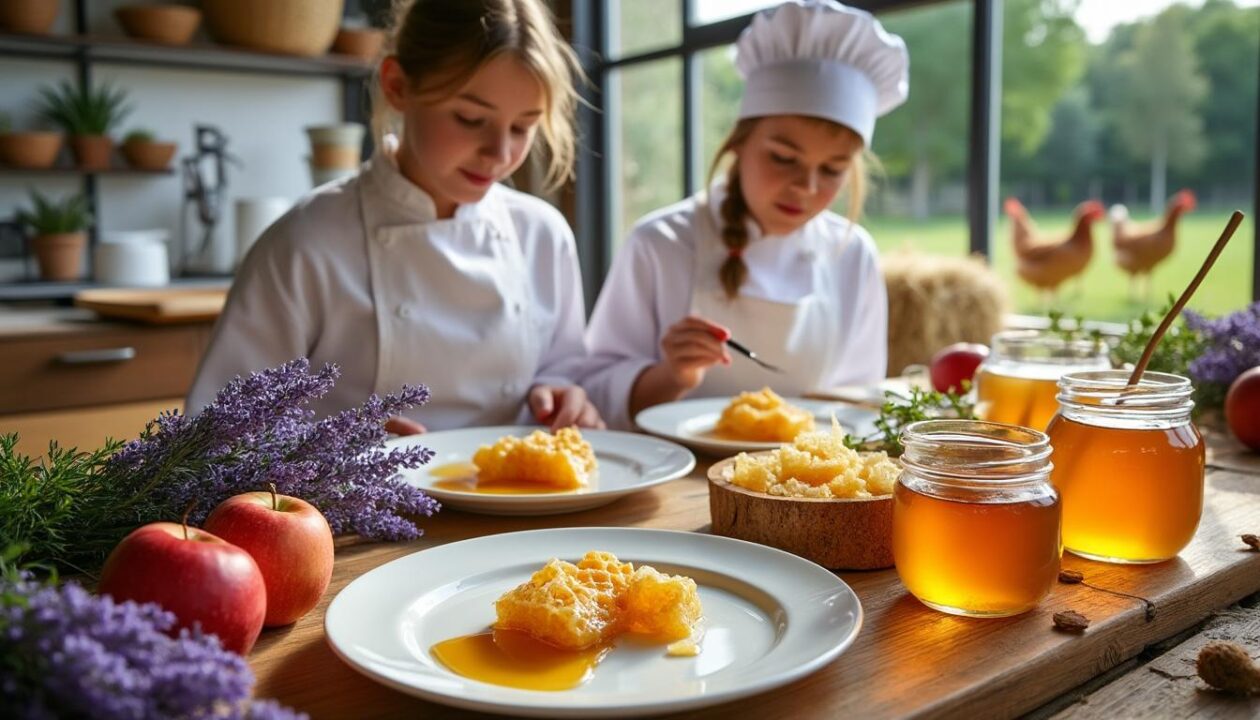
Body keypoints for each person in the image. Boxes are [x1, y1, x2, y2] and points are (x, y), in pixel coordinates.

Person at [187, 0, 603, 433]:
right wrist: (333, 455)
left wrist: (564, 395)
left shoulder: (542, 234)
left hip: (520, 496)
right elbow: (214, 434)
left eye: (522, 127)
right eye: (470, 118)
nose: (500, 153)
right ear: (397, 86)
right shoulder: (306, 242)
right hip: (347, 502)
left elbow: (564, 369)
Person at [582, 0, 908, 429]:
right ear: (738, 143)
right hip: (675, 482)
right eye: (783, 158)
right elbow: (597, 400)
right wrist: (673, 374)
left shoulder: (853, 255)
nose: (806, 188)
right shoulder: (659, 244)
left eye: (831, 170)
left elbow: (858, 407)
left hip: (803, 481)